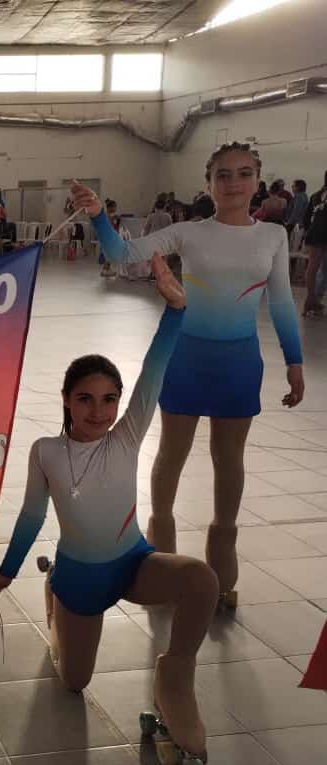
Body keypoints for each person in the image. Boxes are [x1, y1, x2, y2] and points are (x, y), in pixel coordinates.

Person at [0, 255, 216, 762]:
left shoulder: (125, 437)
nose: (98, 411)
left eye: (109, 399)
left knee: (201, 580)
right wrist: (5, 573)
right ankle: (54, 590)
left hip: (133, 562)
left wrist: (176, 308)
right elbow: (31, 516)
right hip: (81, 579)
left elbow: (154, 368)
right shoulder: (46, 451)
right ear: (65, 399)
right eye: (85, 399)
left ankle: (174, 677)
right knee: (73, 682)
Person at [71, 142, 304, 607]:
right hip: (185, 358)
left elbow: (280, 302)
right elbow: (122, 254)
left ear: (257, 180)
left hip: (239, 365)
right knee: (170, 456)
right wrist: (98, 215)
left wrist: (294, 361)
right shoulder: (188, 232)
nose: (233, 183)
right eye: (223, 175)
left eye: (242, 174)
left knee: (229, 461)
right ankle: (164, 564)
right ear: (209, 183)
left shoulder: (273, 236)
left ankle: (222, 573)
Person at [301, 171, 327, 317]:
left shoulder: (316, 195)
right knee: (322, 269)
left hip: (315, 232)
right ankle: (313, 300)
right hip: (324, 233)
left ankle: (311, 299)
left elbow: (306, 218)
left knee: (313, 267)